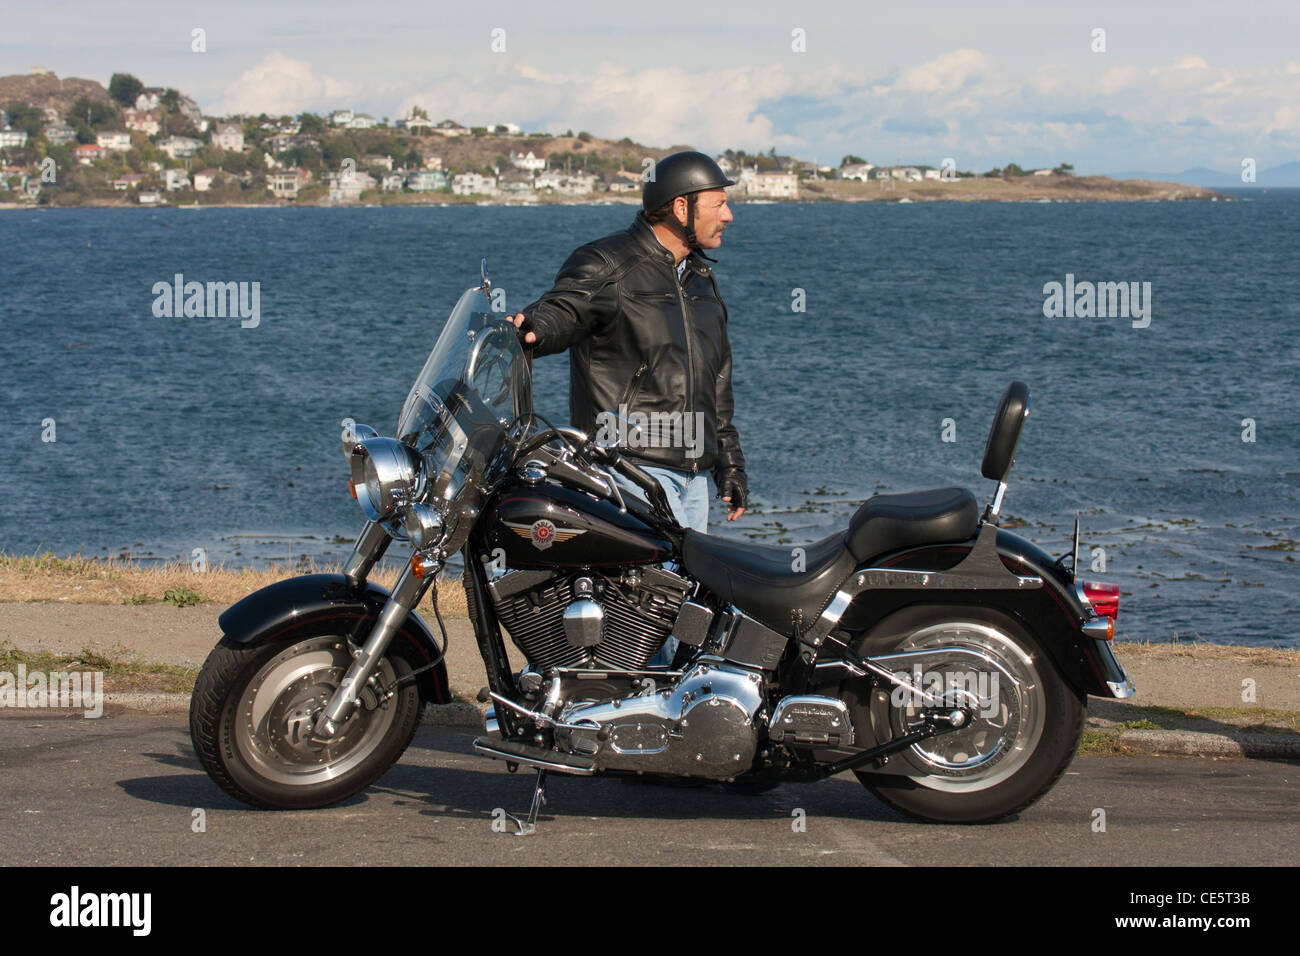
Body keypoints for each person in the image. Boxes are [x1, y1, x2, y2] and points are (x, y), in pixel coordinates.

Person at [508, 150, 749, 536]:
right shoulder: (609, 262)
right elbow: (565, 308)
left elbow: (715, 382)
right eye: (719, 204)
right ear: (680, 207)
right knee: (648, 585)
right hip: (629, 467)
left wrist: (730, 464)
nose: (728, 215)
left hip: (693, 479)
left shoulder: (700, 279)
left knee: (684, 594)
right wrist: (533, 326)